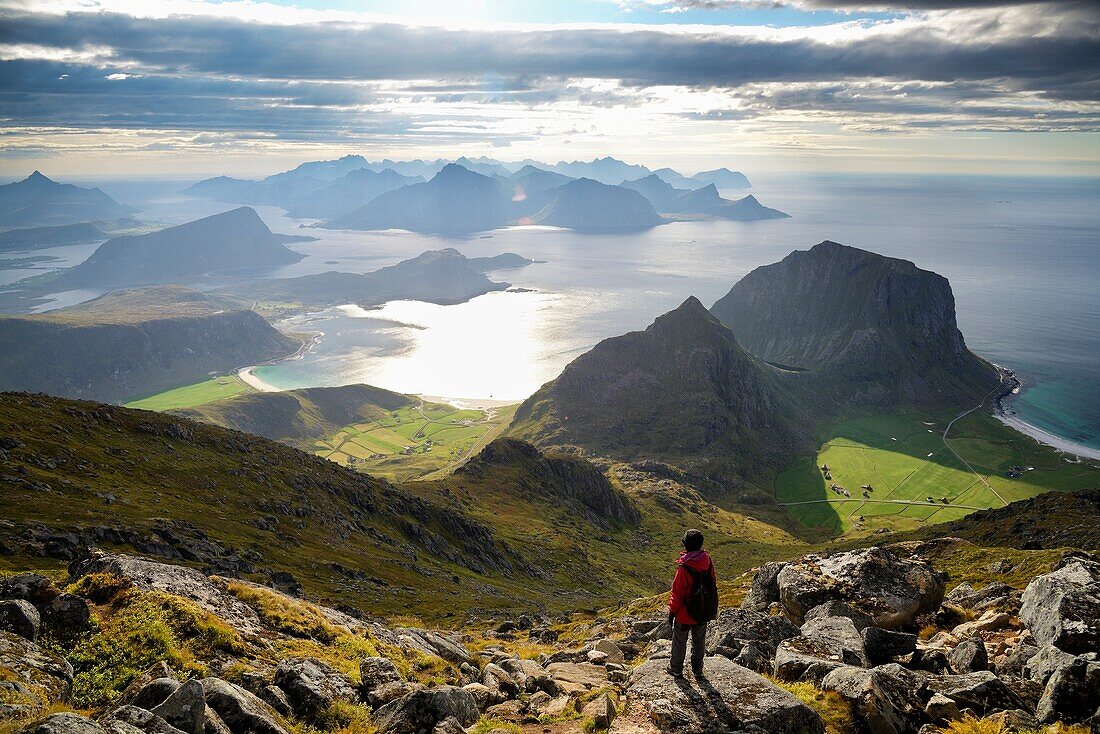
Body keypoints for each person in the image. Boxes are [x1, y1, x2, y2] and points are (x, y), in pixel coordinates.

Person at [666, 528, 716, 679]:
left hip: (685, 614)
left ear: (685, 545)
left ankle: (676, 669)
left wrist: (672, 612)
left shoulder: (684, 568)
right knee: (699, 640)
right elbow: (712, 582)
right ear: (700, 545)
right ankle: (698, 668)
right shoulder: (707, 561)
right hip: (703, 610)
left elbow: (677, 594)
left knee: (680, 641)